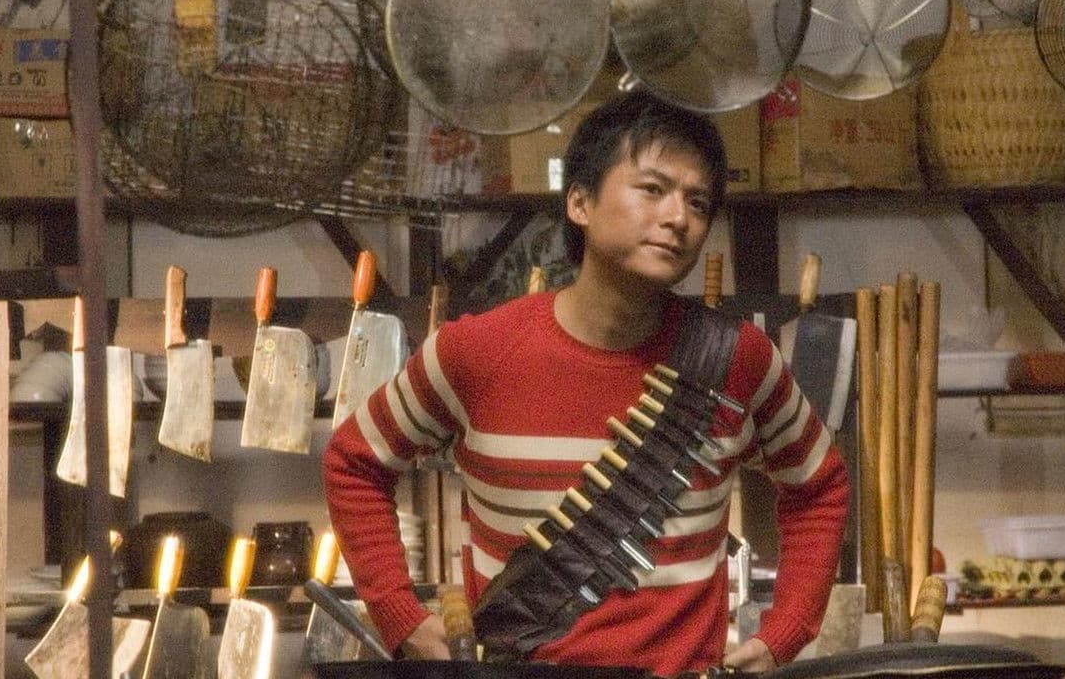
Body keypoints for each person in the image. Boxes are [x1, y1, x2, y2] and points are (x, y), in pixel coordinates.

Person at [323, 89, 849, 677]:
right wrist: (400, 616)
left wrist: (785, 631)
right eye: (652, 189)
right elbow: (352, 462)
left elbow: (819, 487)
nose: (679, 218)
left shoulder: (737, 360)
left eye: (697, 202)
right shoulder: (477, 352)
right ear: (579, 201)